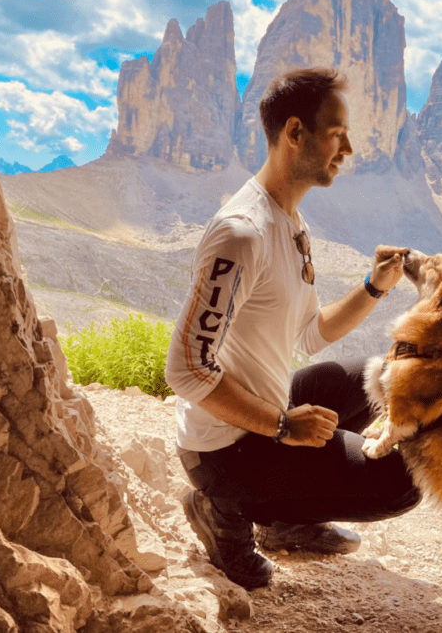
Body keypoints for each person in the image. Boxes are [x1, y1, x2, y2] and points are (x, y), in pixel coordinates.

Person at [165, 67, 421, 590]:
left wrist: (374, 286)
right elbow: (186, 369)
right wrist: (285, 428)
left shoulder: (290, 220)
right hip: (224, 450)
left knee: (379, 378)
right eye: (336, 132)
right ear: (295, 133)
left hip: (263, 412)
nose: (347, 148)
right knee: (404, 481)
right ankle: (222, 509)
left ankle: (285, 520)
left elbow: (310, 332)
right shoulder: (241, 235)